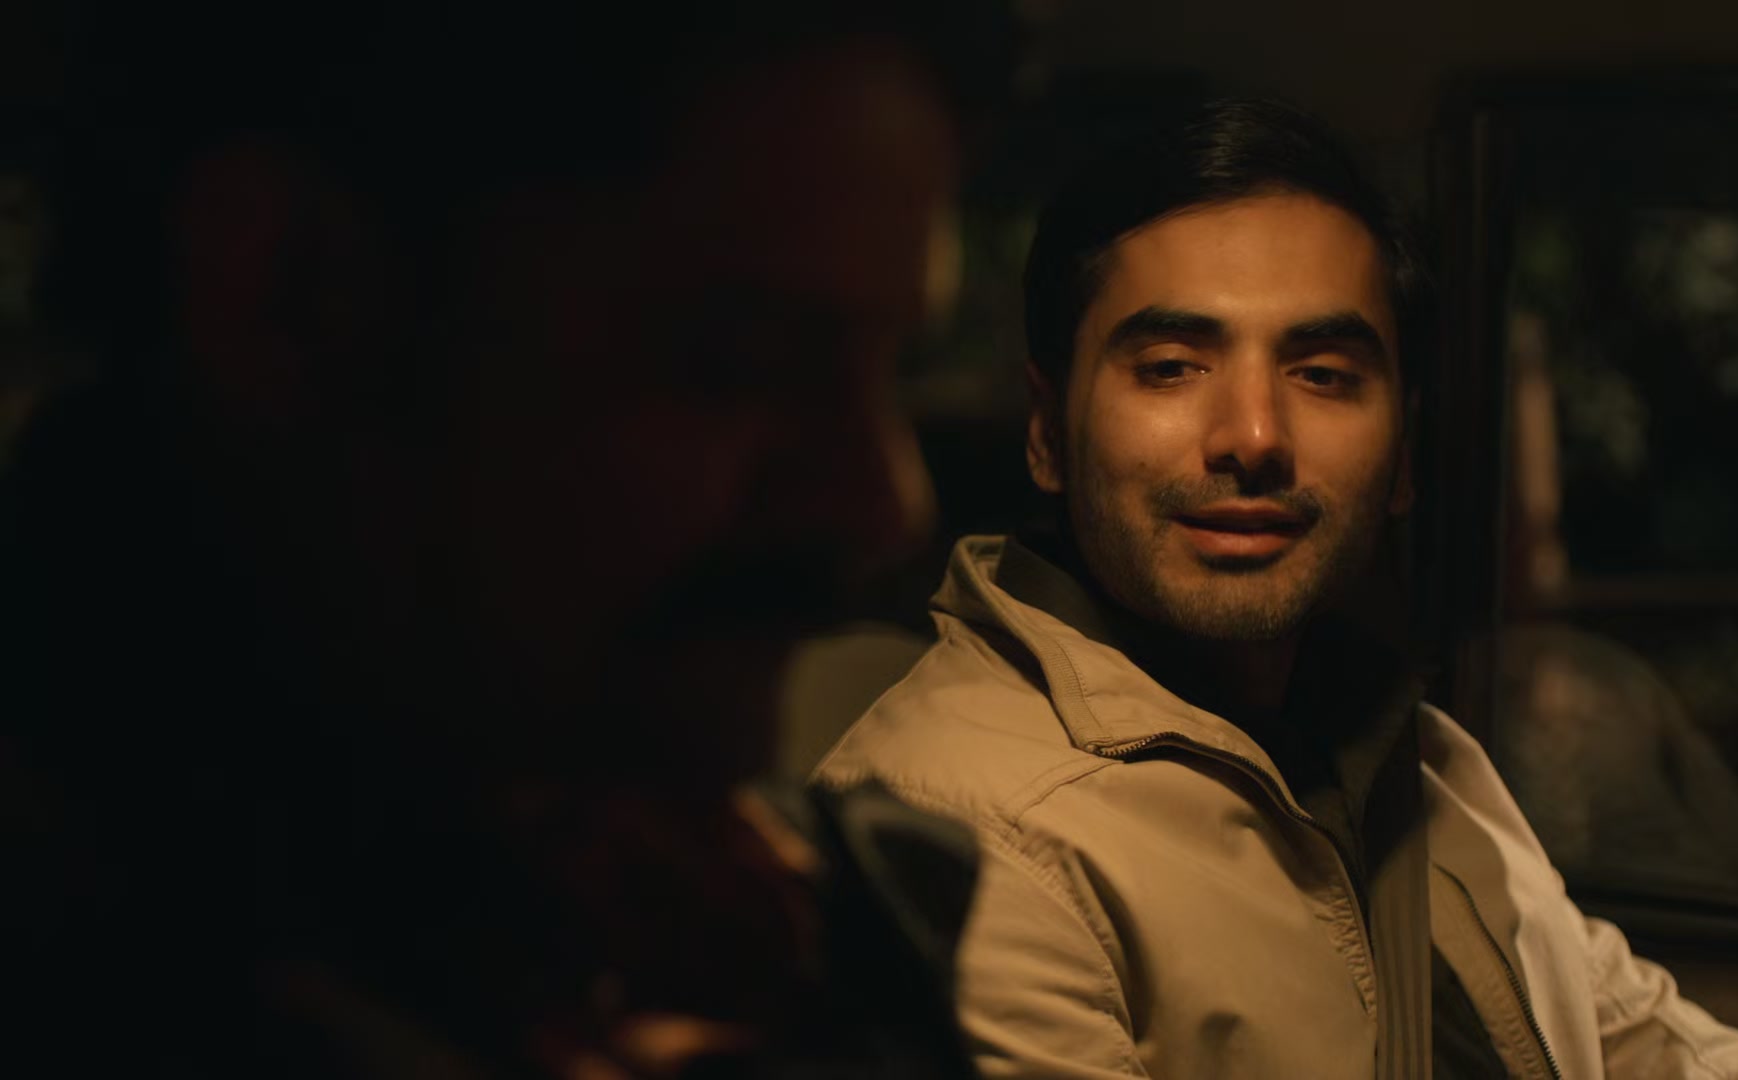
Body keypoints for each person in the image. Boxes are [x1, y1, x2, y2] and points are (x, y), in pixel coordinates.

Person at [2, 1, 1005, 1075]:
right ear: (290, 291)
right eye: (740, 361)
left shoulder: (747, 909)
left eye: (896, 368)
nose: (883, 503)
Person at [815, 99, 1738, 1078]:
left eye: (1323, 374)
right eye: (1172, 367)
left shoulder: (1386, 745)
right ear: (1046, 432)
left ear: (1403, 454)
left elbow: (1634, 1034)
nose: (1254, 435)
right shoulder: (963, 844)